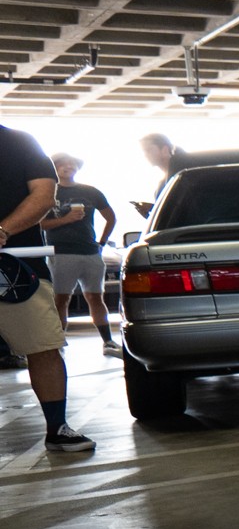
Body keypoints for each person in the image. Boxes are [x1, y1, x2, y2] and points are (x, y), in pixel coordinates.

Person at [0, 124, 94, 453]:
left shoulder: (18, 142)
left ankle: (57, 428)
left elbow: (43, 194)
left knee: (43, 345)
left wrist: (2, 230)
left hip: (17, 269)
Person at [40, 153, 119, 357]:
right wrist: (66, 219)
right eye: (62, 164)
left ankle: (108, 341)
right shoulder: (49, 193)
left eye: (72, 164)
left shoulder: (90, 191)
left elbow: (110, 217)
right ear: (54, 168)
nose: (68, 167)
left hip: (91, 252)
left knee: (95, 296)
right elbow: (41, 224)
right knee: (61, 298)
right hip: (61, 252)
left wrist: (101, 242)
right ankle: (58, 343)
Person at [134, 132, 183, 217]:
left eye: (148, 150)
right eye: (144, 151)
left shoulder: (181, 178)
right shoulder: (163, 183)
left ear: (164, 150)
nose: (145, 155)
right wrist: (152, 212)